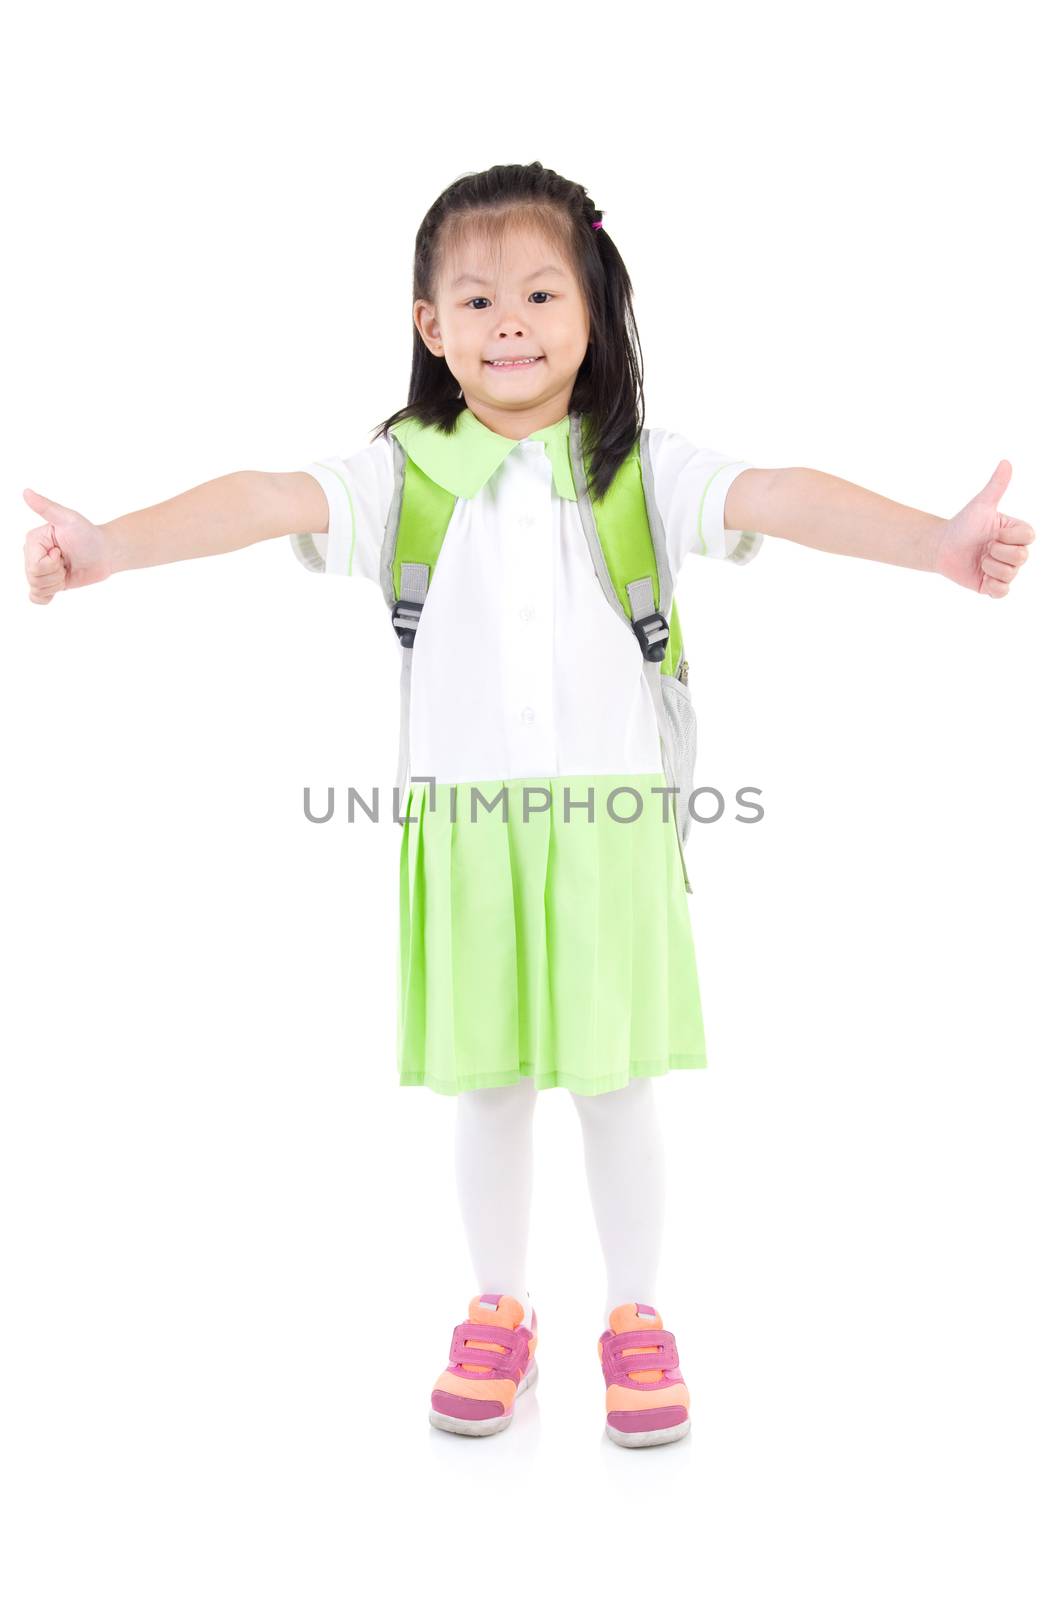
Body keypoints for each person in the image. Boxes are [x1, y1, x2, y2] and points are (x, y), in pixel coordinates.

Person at [22, 160, 1036, 1450]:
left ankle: (635, 1317)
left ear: (595, 315)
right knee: (487, 1089)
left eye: (543, 292)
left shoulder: (644, 471)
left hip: (608, 832)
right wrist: (109, 547)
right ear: (428, 328)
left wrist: (935, 541)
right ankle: (498, 1308)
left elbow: (778, 492)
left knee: (617, 1090)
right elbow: (266, 498)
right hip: (463, 838)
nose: (512, 320)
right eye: (478, 296)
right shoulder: (402, 475)